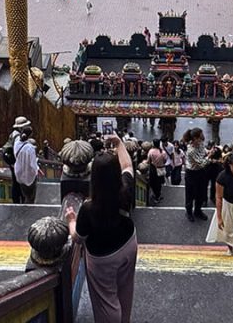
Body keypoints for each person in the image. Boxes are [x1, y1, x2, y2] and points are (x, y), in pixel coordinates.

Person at [65, 135, 137, 323]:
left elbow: (78, 237)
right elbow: (128, 166)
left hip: (102, 256)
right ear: (116, 173)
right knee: (125, 287)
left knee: (106, 300)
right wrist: (119, 143)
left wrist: (71, 220)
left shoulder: (89, 208)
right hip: (129, 243)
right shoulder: (125, 190)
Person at [184, 128, 209, 222]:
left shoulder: (201, 144)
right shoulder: (190, 150)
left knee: (201, 193)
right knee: (190, 194)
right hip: (192, 173)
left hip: (201, 172)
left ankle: (198, 211)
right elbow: (201, 163)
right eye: (200, 137)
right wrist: (209, 157)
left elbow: (204, 152)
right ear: (194, 138)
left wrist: (208, 152)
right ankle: (189, 212)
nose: (202, 139)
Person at [13, 125, 39, 204]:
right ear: (30, 135)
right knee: (31, 196)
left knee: (25, 194)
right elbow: (33, 164)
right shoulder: (30, 148)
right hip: (29, 174)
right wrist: (36, 172)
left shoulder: (16, 143)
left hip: (19, 172)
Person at [147, 139, 166, 205]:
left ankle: (155, 196)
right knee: (159, 183)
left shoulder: (151, 151)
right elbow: (165, 161)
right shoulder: (162, 152)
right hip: (160, 169)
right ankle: (158, 195)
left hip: (153, 169)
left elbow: (148, 161)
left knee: (153, 182)